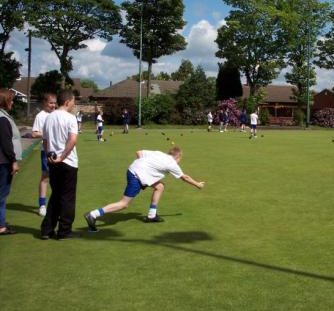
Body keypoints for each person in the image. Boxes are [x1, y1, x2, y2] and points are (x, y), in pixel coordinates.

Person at [84, 146, 205, 232]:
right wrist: (197, 184)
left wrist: (143, 167)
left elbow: (139, 153)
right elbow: (184, 177)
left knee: (160, 186)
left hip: (134, 170)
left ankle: (151, 215)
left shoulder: (158, 153)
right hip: (136, 175)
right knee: (124, 204)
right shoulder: (172, 164)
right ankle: (93, 214)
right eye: (180, 159)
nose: (179, 162)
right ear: (178, 156)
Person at [40, 90, 79, 240]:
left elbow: (44, 140)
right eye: (73, 101)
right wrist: (62, 156)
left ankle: (46, 230)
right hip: (67, 162)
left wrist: (49, 154)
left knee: (56, 195)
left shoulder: (49, 117)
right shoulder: (70, 118)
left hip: (52, 161)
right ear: (68, 102)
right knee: (67, 197)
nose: (74, 103)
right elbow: (72, 140)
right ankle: (64, 231)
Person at [31, 93, 57, 217]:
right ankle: (42, 205)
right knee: (45, 177)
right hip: (46, 151)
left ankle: (57, 203)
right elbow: (34, 133)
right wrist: (47, 134)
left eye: (54, 103)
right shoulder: (40, 116)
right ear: (45, 103)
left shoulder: (57, 114)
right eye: (50, 103)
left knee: (58, 177)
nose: (53, 105)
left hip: (59, 151)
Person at [0, 89, 21, 236]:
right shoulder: (2, 118)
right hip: (3, 162)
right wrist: (13, 161)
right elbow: (6, 143)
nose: (12, 102)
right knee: (2, 194)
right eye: (11, 99)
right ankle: (1, 226)